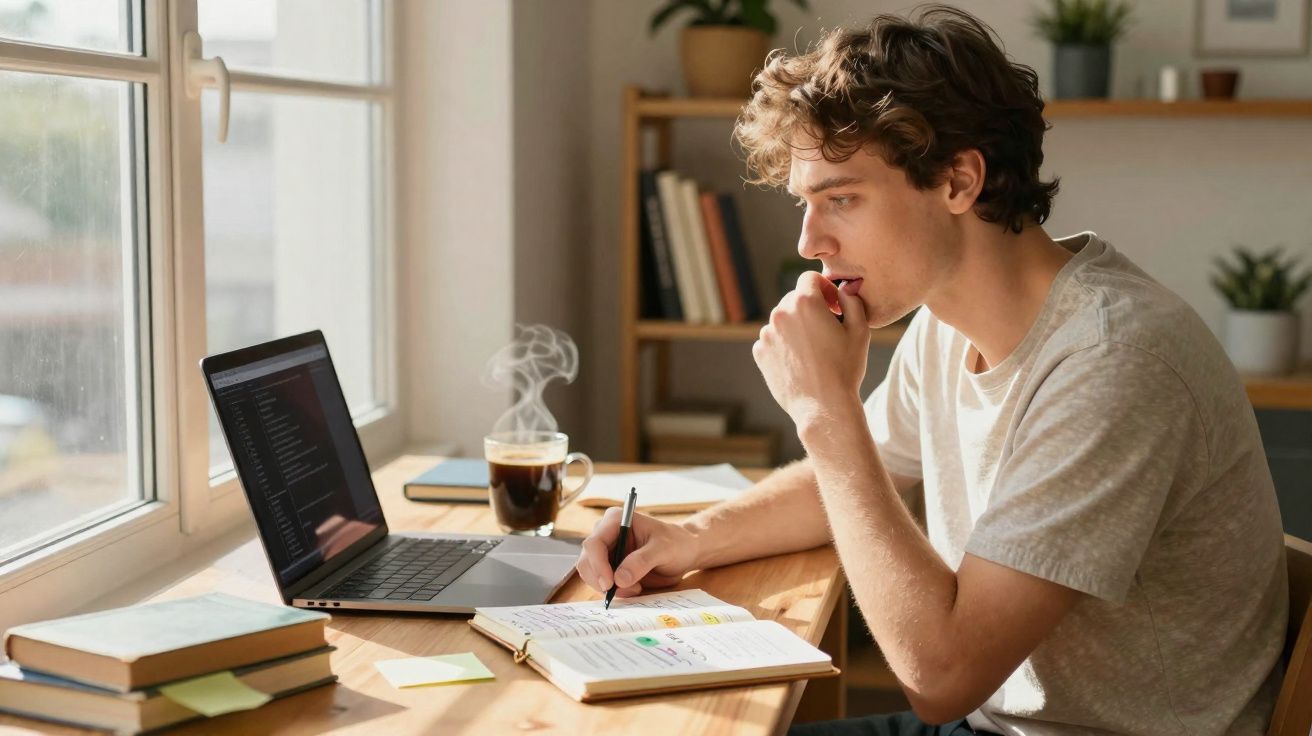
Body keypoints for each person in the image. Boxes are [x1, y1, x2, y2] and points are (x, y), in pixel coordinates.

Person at [576, 5, 1289, 735]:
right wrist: (692, 538)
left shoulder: (1115, 362)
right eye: (806, 204)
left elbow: (941, 677)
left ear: (958, 181)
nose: (809, 241)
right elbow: (863, 480)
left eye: (842, 199)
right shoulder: (945, 321)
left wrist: (825, 411)